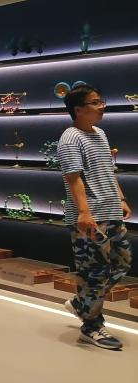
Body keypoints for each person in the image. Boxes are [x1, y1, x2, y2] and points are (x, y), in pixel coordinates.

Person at [59, 84, 132, 350]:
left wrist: (120, 198)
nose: (102, 107)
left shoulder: (100, 133)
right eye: (95, 102)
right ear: (78, 109)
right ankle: (91, 327)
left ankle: (82, 303)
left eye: (101, 101)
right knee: (94, 273)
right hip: (90, 216)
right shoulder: (70, 138)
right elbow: (74, 178)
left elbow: (108, 171)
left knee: (122, 263)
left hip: (111, 211)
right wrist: (84, 211)